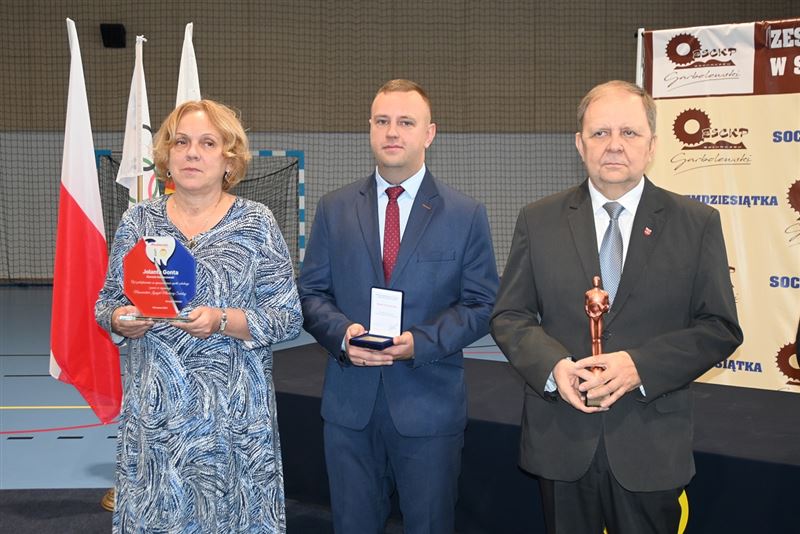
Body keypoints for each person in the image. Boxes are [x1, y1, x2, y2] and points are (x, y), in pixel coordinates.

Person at [490, 80, 743, 534]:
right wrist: (553, 368)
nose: (614, 145)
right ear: (579, 143)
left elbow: (719, 327)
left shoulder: (696, 223)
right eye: (600, 132)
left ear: (652, 145)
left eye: (629, 132)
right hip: (561, 441)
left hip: (650, 445)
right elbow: (511, 315)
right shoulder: (538, 219)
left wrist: (639, 366)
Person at [297, 79, 498, 533]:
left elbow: (482, 303)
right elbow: (311, 294)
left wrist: (418, 343)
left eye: (406, 122)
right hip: (350, 409)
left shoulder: (465, 214)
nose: (392, 132)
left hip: (429, 408)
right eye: (382, 121)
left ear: (429, 133)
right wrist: (342, 335)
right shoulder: (334, 208)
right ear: (369, 128)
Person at [95, 99, 302, 533]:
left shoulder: (256, 223)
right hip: (158, 420)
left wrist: (222, 320)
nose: (192, 153)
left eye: (208, 143)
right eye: (181, 142)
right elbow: (106, 303)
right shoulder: (138, 221)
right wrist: (122, 319)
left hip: (234, 422)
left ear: (229, 159)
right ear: (167, 156)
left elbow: (287, 315)